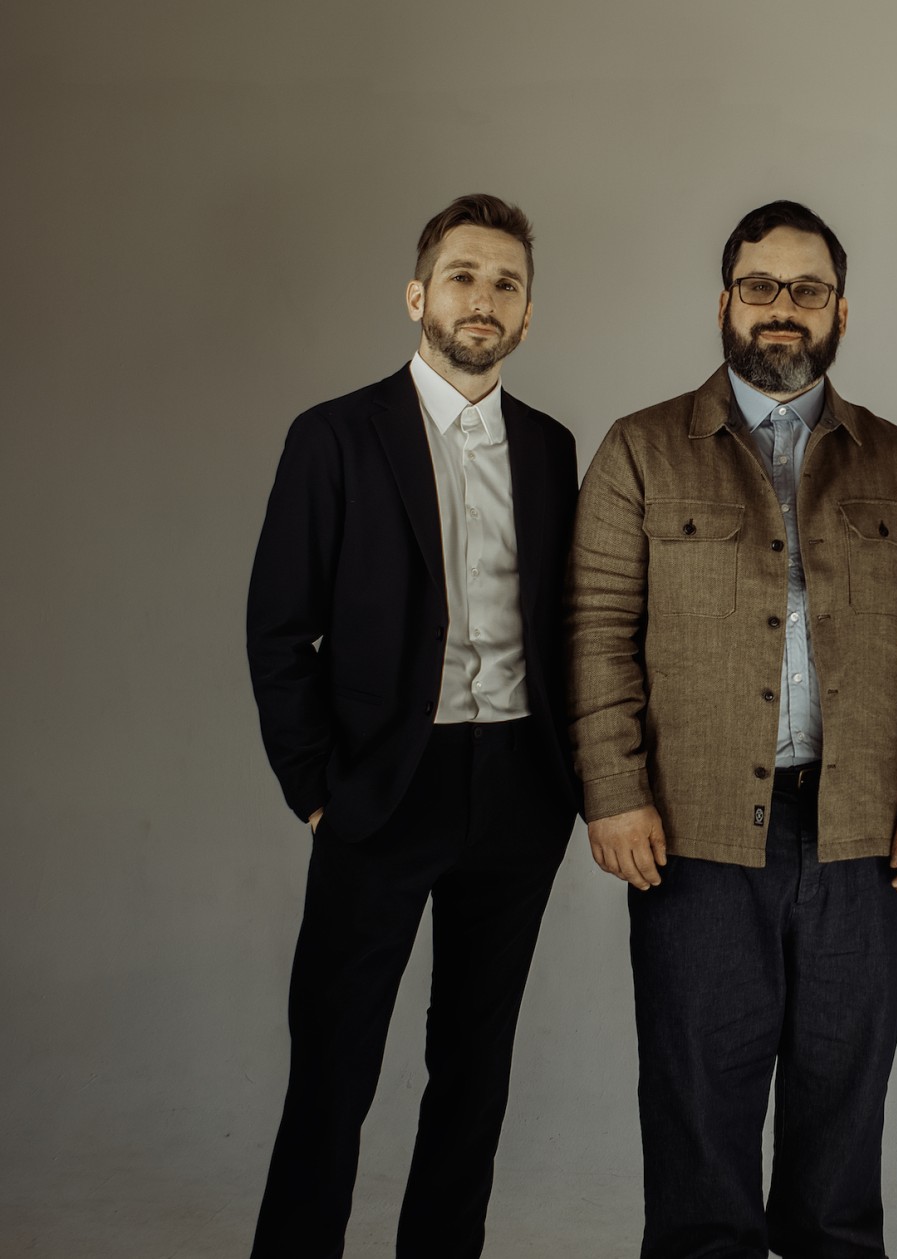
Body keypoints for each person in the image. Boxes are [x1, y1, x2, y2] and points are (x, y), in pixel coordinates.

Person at [567, 199, 897, 1258]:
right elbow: (597, 630)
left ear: (841, 310)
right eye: (760, 287)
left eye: (806, 290)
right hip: (693, 833)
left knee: (845, 1100)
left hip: (858, 835)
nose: (780, 311)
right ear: (723, 303)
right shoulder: (639, 451)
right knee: (701, 1097)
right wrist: (612, 789)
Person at [245, 193, 580, 1256]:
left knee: (473, 1071)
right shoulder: (335, 436)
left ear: (528, 314)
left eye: (505, 283)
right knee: (334, 1069)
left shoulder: (550, 446)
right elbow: (277, 626)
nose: (483, 299)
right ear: (417, 295)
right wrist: (313, 789)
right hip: (380, 789)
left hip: (519, 789)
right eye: (464, 276)